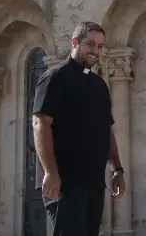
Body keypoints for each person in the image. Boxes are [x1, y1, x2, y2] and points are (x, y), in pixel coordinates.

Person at [32, 21, 126, 236]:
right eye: (90, 44)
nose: (95, 51)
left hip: (93, 182)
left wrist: (117, 169)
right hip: (65, 182)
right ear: (74, 42)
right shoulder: (55, 77)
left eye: (100, 46)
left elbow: (106, 130)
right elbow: (40, 123)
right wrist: (50, 171)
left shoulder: (98, 84)